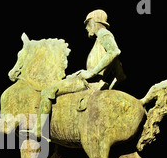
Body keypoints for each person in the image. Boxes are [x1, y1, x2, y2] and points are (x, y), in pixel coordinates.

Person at [24, 9, 126, 141]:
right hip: (92, 81)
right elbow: (121, 75)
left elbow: (114, 51)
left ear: (94, 22)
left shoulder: (103, 33)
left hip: (87, 81)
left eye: (87, 23)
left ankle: (38, 129)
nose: (86, 27)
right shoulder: (101, 39)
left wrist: (92, 73)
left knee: (47, 92)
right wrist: (107, 88)